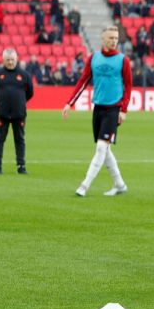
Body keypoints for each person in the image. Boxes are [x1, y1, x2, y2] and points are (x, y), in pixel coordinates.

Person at [61, 25, 132, 197]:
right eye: (110, 38)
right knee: (105, 150)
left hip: (113, 109)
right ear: (103, 39)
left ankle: (84, 186)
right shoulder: (94, 58)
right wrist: (69, 103)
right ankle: (120, 184)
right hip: (98, 108)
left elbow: (128, 86)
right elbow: (83, 81)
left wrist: (124, 110)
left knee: (101, 147)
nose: (114, 41)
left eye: (116, 38)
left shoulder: (123, 60)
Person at [0, 49, 34, 175]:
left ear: (16, 59)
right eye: (8, 60)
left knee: (19, 140)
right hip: (2, 114)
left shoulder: (24, 75)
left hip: (19, 114)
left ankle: (21, 166)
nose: (10, 62)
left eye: (12, 59)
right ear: (3, 60)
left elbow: (29, 93)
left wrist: (19, 102)